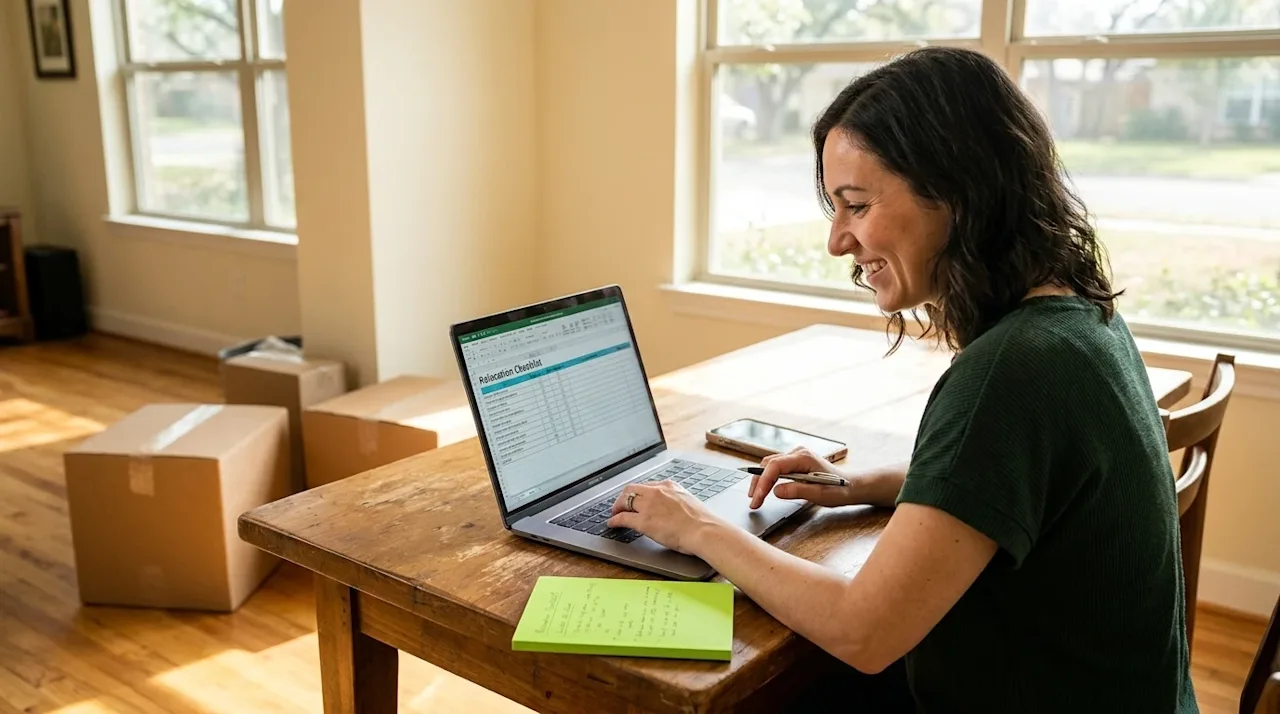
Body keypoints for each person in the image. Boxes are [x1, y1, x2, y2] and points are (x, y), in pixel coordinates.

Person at [608, 47, 1196, 713]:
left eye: (855, 204)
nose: (836, 241)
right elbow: (1010, 487)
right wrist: (856, 484)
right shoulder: (1079, 317)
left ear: (958, 191)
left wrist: (698, 527)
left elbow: (864, 631)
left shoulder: (1012, 370)